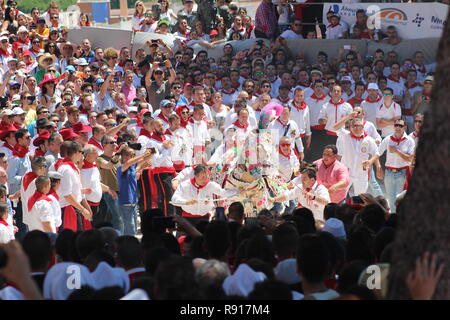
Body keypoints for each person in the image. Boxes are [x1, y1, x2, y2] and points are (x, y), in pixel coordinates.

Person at [171, 165, 238, 226]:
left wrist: (237, 192)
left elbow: (223, 193)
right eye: (202, 177)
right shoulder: (185, 185)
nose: (205, 180)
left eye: (206, 177)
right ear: (195, 176)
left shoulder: (211, 185)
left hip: (204, 219)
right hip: (187, 218)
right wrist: (186, 202)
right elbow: (174, 199)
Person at [335, 117, 380, 196]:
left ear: (362, 127)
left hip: (361, 173)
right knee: (340, 195)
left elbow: (376, 153)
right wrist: (349, 116)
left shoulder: (369, 139)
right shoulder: (346, 135)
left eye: (358, 126)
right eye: (353, 126)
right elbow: (335, 127)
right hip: (346, 172)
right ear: (350, 128)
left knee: (360, 197)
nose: (356, 128)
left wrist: (370, 162)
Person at [378, 119, 415, 213]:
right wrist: (378, 167)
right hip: (389, 172)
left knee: (400, 198)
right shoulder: (388, 139)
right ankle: (394, 218)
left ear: (405, 127)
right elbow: (377, 153)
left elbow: (410, 159)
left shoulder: (410, 140)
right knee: (390, 198)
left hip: (402, 172)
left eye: (400, 126)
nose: (398, 127)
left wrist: (396, 151)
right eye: (396, 125)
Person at [55, 141, 92, 231]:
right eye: (82, 152)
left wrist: (81, 192)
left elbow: (72, 190)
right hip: (68, 209)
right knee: (71, 241)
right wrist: (83, 209)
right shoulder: (67, 169)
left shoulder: (71, 167)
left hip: (73, 207)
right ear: (76, 153)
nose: (82, 155)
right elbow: (67, 195)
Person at [117, 147, 153, 235]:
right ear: (124, 156)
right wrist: (143, 155)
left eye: (134, 155)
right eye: (132, 155)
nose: (134, 157)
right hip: (125, 202)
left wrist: (150, 153)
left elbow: (142, 160)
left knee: (133, 229)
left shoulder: (132, 167)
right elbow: (130, 162)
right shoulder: (121, 168)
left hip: (133, 202)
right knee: (130, 230)